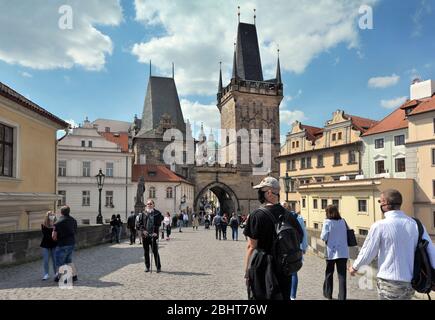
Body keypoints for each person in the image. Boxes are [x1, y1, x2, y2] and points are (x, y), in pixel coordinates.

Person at [348, 189, 435, 300]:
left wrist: (355, 267)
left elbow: (367, 252)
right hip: (410, 283)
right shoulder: (416, 224)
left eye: (380, 202)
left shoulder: (379, 226)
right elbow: (431, 251)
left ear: (385, 203)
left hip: (388, 282)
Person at [243, 177, 303, 300]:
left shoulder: (256, 215)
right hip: (284, 265)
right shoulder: (289, 215)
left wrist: (247, 271)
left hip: (263, 265)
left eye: (260, 190)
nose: (259, 194)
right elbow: (300, 237)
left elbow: (251, 246)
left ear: (269, 193)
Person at [320, 205, 348, 300]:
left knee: (329, 273)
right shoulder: (343, 221)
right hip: (343, 252)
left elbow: (324, 237)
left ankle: (328, 294)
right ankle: (342, 297)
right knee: (342, 276)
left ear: (328, 212)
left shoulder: (327, 222)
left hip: (331, 251)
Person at [282, 202, 308, 300]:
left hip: (283, 248)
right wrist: (304, 247)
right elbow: (304, 233)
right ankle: (292, 296)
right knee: (294, 272)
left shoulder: (280, 217)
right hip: (297, 248)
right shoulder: (299, 218)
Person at [53, 206, 78, 282]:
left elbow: (54, 237)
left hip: (62, 244)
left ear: (61, 212)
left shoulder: (58, 222)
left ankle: (62, 277)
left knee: (60, 262)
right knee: (68, 260)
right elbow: (75, 232)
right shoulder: (73, 220)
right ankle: (74, 276)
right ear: (69, 212)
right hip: (71, 243)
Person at [138, 200, 163, 273]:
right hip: (145, 235)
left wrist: (155, 232)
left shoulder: (157, 213)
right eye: (148, 204)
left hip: (153, 235)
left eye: (150, 204)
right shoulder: (143, 213)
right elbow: (140, 224)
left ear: (153, 205)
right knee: (146, 252)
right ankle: (147, 266)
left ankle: (158, 267)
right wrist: (143, 231)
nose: (149, 205)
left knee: (155, 252)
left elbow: (158, 224)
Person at [40, 211, 57, 280]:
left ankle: (56, 273)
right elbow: (46, 235)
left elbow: (58, 233)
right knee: (46, 260)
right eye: (50, 215)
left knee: (55, 260)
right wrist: (54, 235)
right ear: (47, 216)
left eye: (53, 215)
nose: (52, 216)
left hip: (54, 244)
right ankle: (46, 274)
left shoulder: (57, 224)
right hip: (46, 244)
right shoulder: (43, 225)